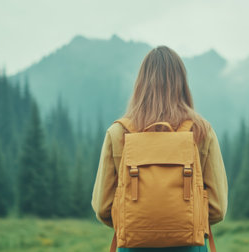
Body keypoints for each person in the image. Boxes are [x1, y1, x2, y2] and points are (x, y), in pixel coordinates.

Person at [91, 46, 228, 251]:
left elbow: (103, 208)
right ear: (182, 83)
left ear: (140, 85)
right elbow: (217, 209)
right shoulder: (201, 131)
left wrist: (137, 225)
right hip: (190, 246)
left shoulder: (118, 133)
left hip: (132, 246)